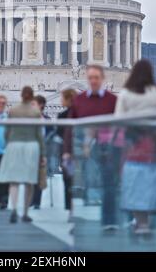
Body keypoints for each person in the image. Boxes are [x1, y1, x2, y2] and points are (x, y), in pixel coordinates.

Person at [63, 65, 121, 231]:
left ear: (103, 79)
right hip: (83, 149)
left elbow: (119, 126)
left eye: (96, 77)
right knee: (80, 185)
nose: (93, 81)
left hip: (107, 149)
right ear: (87, 79)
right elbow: (69, 127)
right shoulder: (79, 100)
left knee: (108, 184)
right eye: (91, 78)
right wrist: (67, 151)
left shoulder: (113, 100)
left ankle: (109, 220)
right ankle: (77, 222)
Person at [115, 59, 156, 235]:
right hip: (152, 144)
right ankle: (147, 220)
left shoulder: (126, 93)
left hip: (133, 144)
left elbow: (118, 119)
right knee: (151, 181)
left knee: (133, 182)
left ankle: (140, 221)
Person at [0, 86, 46, 224]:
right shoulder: (36, 112)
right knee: (29, 182)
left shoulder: (13, 110)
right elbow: (39, 135)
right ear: (31, 96)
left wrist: (9, 143)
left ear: (21, 95)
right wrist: (43, 153)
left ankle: (13, 209)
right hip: (31, 146)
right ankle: (25, 212)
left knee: (14, 181)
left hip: (15, 146)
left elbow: (7, 131)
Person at [57, 89, 77, 218]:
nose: (60, 100)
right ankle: (73, 209)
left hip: (67, 153)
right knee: (73, 181)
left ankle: (71, 209)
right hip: (74, 152)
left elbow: (59, 134)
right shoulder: (79, 113)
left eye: (62, 98)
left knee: (68, 181)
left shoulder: (62, 115)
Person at [30, 95, 48, 210]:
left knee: (40, 176)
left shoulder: (46, 119)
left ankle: (37, 201)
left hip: (42, 150)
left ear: (41, 105)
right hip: (31, 148)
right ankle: (31, 200)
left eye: (34, 104)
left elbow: (50, 134)